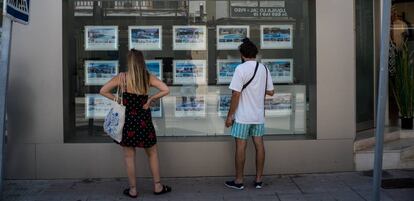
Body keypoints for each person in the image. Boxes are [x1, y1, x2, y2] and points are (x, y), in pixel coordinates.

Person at [100, 49, 171, 198]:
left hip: (128, 121)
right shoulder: (147, 78)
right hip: (144, 120)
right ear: (141, 61)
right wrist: (151, 99)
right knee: (152, 154)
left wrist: (117, 100)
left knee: (129, 156)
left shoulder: (123, 78)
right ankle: (157, 186)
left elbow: (103, 90)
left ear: (129, 62)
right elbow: (165, 89)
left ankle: (133, 190)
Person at [224, 38, 274, 190]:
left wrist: (230, 116)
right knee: (259, 146)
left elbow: (235, 95)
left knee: (241, 147)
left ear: (242, 54)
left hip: (242, 117)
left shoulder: (241, 69)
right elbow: (271, 91)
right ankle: (259, 180)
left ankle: (239, 181)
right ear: (255, 53)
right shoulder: (264, 68)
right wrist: (257, 89)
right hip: (258, 116)